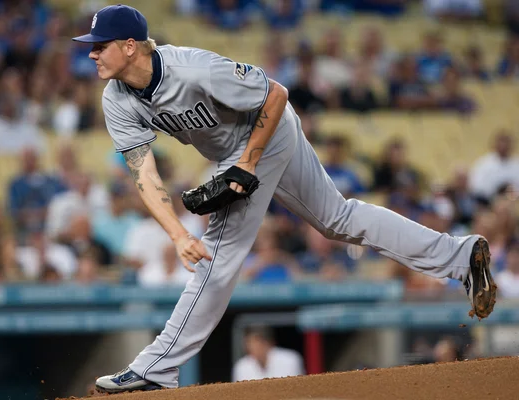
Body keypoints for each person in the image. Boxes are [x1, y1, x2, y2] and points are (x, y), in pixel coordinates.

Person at [72, 5, 496, 393]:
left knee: (219, 254)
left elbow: (275, 94)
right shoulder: (117, 99)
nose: (91, 54)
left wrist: (247, 165)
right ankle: (460, 256)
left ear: (130, 47)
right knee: (338, 220)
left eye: (100, 46)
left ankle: (156, 369)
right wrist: (179, 233)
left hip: (268, 128)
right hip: (232, 151)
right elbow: (144, 176)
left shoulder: (192, 67)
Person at [232, 326, 305, 382]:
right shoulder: (241, 366)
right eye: (249, 344)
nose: (253, 347)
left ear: (267, 342)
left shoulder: (290, 359)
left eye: (257, 342)